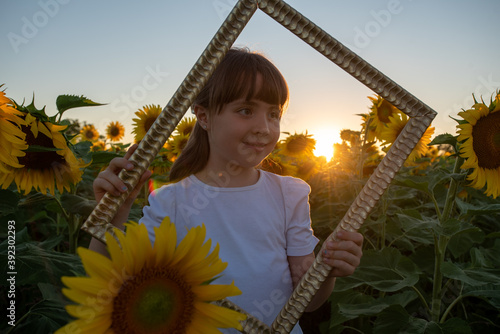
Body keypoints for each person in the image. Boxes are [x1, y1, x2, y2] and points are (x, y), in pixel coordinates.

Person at [91, 48, 363, 333]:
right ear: (203, 116)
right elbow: (118, 284)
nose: (264, 128)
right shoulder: (172, 201)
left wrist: (327, 272)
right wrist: (110, 216)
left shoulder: (288, 194)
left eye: (274, 114)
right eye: (246, 110)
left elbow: (306, 301)